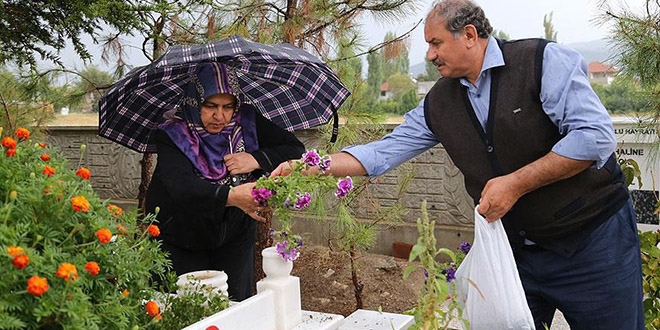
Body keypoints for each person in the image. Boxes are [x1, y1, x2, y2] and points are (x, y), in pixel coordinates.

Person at [272, 0, 644, 328]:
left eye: (435, 43)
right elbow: (383, 151)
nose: (430, 55)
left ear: (469, 34)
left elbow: (594, 137)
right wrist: (311, 165)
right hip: (515, 254)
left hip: (593, 243)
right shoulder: (439, 103)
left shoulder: (541, 61)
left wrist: (514, 184)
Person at [145, 62, 305, 301]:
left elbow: (295, 149)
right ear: (194, 101)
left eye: (228, 107)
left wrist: (256, 158)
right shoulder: (173, 134)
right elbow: (181, 187)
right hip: (181, 235)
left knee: (234, 304)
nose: (220, 116)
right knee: (187, 307)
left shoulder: (248, 123)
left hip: (234, 234)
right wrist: (230, 197)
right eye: (210, 106)